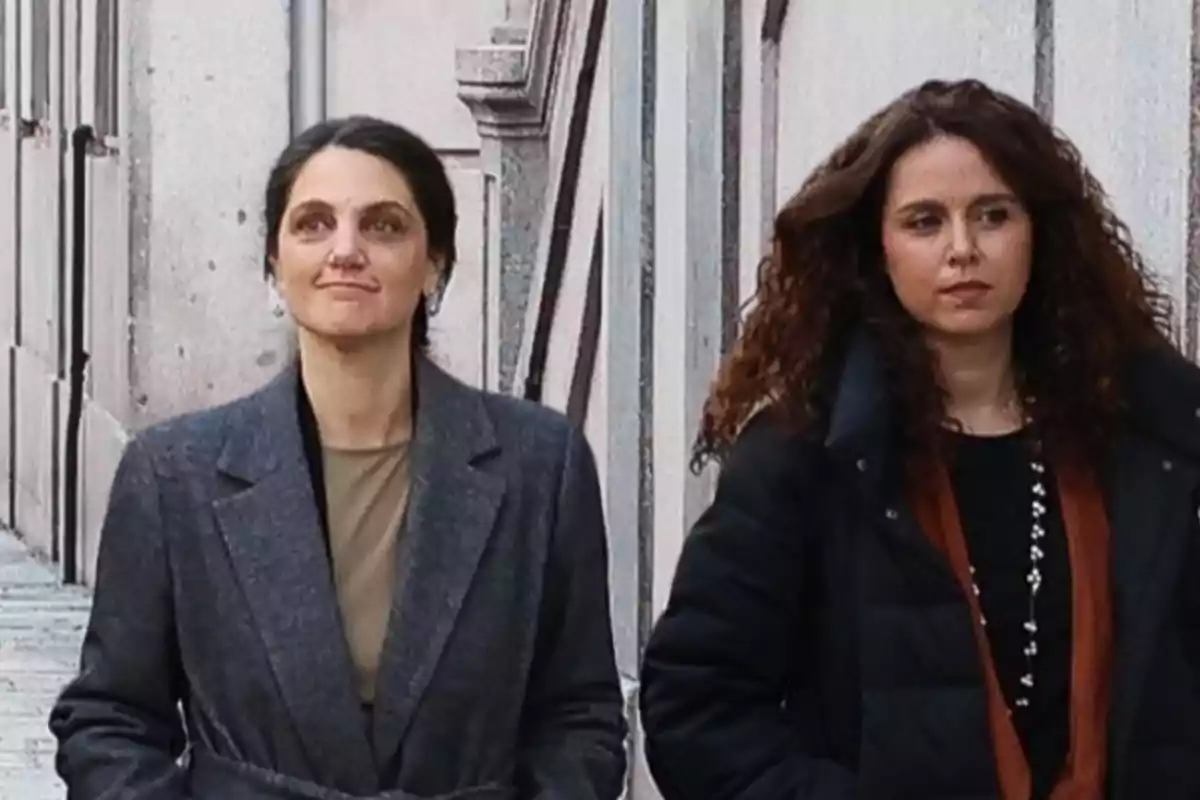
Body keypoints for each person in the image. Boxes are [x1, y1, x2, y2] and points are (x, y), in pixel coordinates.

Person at [639, 79, 1200, 799]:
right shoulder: (804, 454)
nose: (962, 249)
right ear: (877, 248)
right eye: (925, 222)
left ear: (1040, 232)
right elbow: (696, 705)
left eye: (992, 216)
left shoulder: (1148, 435)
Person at [50, 115, 628, 799]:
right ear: (274, 262)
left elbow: (580, 717)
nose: (345, 251)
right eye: (313, 224)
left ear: (434, 263)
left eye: (382, 225)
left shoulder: (540, 465)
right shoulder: (174, 475)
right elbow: (108, 718)